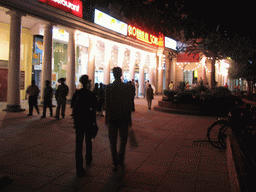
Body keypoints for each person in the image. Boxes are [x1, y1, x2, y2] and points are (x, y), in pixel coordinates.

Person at [105, 67, 133, 172]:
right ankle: (121, 158)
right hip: (124, 118)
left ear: (113, 74)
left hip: (112, 118)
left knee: (112, 142)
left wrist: (107, 119)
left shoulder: (109, 88)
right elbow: (129, 105)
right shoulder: (127, 87)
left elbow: (107, 105)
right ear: (121, 74)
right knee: (123, 140)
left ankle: (114, 162)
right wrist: (130, 119)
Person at [71, 75, 98, 177]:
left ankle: (79, 167)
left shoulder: (77, 94)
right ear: (88, 83)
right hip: (88, 121)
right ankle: (88, 157)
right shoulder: (90, 94)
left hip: (79, 122)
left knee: (78, 144)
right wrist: (95, 122)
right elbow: (94, 110)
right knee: (88, 140)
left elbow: (73, 108)